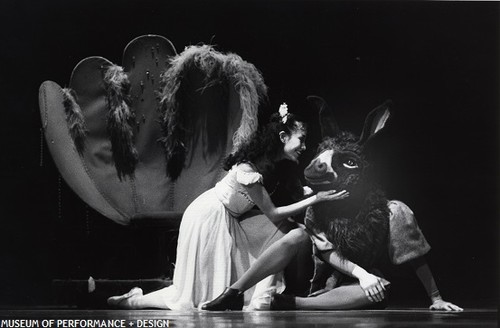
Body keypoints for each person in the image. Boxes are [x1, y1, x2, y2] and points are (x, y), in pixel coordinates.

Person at [107, 103, 349, 310]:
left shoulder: (272, 166)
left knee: (287, 231)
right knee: (193, 296)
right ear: (284, 137)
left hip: (232, 217)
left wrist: (308, 194)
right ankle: (132, 302)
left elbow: (278, 205)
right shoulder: (248, 171)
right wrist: (317, 199)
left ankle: (262, 296)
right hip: (210, 216)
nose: (304, 147)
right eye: (301, 140)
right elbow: (273, 213)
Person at [202, 201, 464, 311]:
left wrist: (436, 298)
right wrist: (360, 273)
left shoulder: (389, 210)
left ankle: (285, 304)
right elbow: (327, 253)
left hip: (346, 287)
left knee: (379, 288)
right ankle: (233, 293)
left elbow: (412, 252)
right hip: (314, 273)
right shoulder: (320, 208)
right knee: (297, 236)